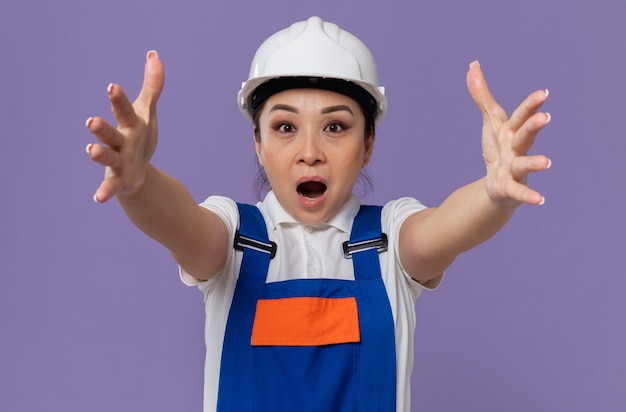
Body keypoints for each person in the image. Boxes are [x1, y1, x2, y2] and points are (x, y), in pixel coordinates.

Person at [85, 16, 551, 412]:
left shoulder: (390, 240)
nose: (310, 152)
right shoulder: (232, 239)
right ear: (258, 145)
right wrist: (140, 183)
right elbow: (179, 222)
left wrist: (493, 194)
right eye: (285, 126)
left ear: (367, 144)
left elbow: (447, 226)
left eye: (335, 126)